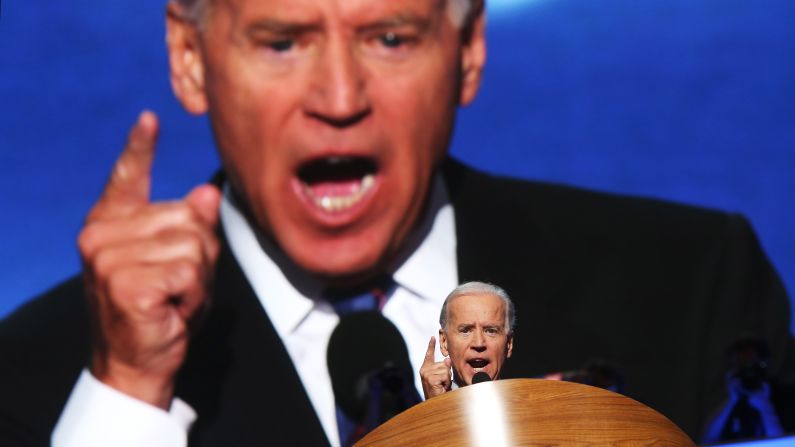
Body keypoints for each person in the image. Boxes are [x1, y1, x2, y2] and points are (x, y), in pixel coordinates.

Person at [1, 0, 793, 445]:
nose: (340, 97)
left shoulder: (691, 285)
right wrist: (129, 395)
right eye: (282, 43)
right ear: (190, 57)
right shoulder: (33, 377)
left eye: (389, 38)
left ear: (469, 50)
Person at [420, 281, 515, 400]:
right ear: (444, 342)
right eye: (466, 331)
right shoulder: (411, 418)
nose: (479, 343)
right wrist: (435, 407)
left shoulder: (534, 410)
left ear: (509, 344)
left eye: (491, 331)